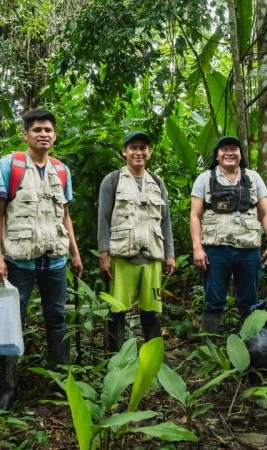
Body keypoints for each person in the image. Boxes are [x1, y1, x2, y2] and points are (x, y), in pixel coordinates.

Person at [0, 108, 83, 409]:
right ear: (26, 134)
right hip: (19, 261)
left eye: (48, 130)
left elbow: (65, 215)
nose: (44, 134)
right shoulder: (10, 165)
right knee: (12, 322)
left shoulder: (61, 171)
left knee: (57, 320)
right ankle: (7, 387)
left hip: (55, 260)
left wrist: (75, 253)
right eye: (37, 129)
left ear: (55, 135)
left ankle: (59, 383)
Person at [189, 136, 267, 333]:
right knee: (214, 301)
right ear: (217, 156)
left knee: (249, 302)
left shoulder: (254, 178)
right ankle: (209, 351)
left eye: (234, 149)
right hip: (215, 250)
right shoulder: (204, 179)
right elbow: (195, 216)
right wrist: (197, 248)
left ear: (240, 154)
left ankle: (250, 348)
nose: (229, 153)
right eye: (224, 149)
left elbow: (266, 214)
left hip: (248, 250)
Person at [97, 131, 175, 351]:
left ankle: (154, 361)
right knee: (117, 311)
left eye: (143, 148)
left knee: (151, 311)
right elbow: (103, 219)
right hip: (122, 257)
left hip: (152, 257)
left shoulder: (157, 183)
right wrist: (104, 254)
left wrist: (170, 254)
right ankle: (116, 360)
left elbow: (165, 221)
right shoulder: (112, 181)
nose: (138, 152)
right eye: (133, 148)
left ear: (148, 152)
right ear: (124, 151)